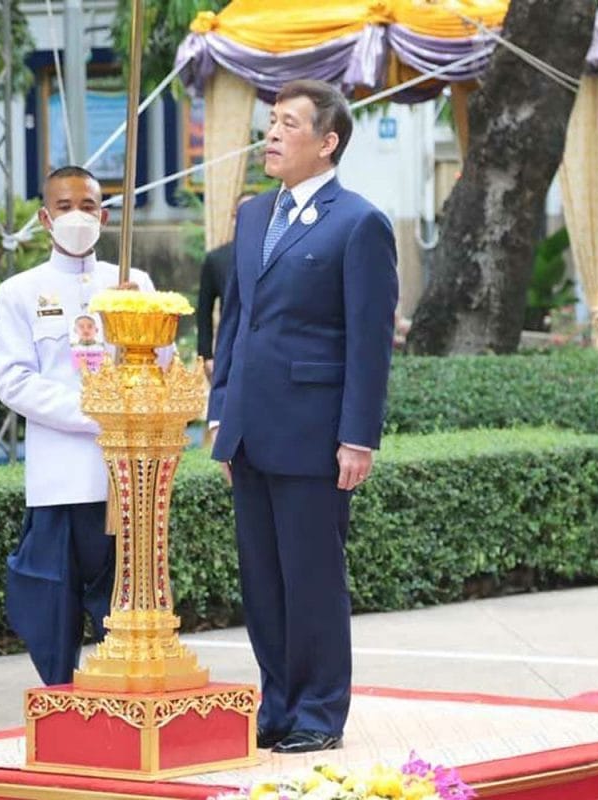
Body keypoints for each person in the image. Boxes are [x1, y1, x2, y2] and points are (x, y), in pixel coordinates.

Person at [208, 79, 399, 754]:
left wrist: (358, 437)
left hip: (314, 432)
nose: (272, 134)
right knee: (262, 581)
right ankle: (278, 704)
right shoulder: (254, 215)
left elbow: (369, 340)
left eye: (289, 124)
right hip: (249, 430)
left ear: (327, 142)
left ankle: (319, 712)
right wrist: (219, 413)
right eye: (271, 122)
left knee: (312, 579)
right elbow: (235, 322)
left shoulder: (359, 223)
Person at [0, 165, 168, 687]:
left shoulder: (134, 283)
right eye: (64, 207)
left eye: (87, 206)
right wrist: (97, 411)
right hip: (60, 479)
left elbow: (161, 364)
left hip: (125, 481)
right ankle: (61, 699)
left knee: (124, 612)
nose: (76, 217)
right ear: (45, 218)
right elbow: (13, 381)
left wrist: (139, 336)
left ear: (105, 216)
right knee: (51, 611)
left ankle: (124, 699)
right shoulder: (21, 291)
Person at [196, 192, 253, 380]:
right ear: (234, 218)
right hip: (229, 346)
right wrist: (206, 355)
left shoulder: (277, 256)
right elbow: (204, 311)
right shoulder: (216, 259)